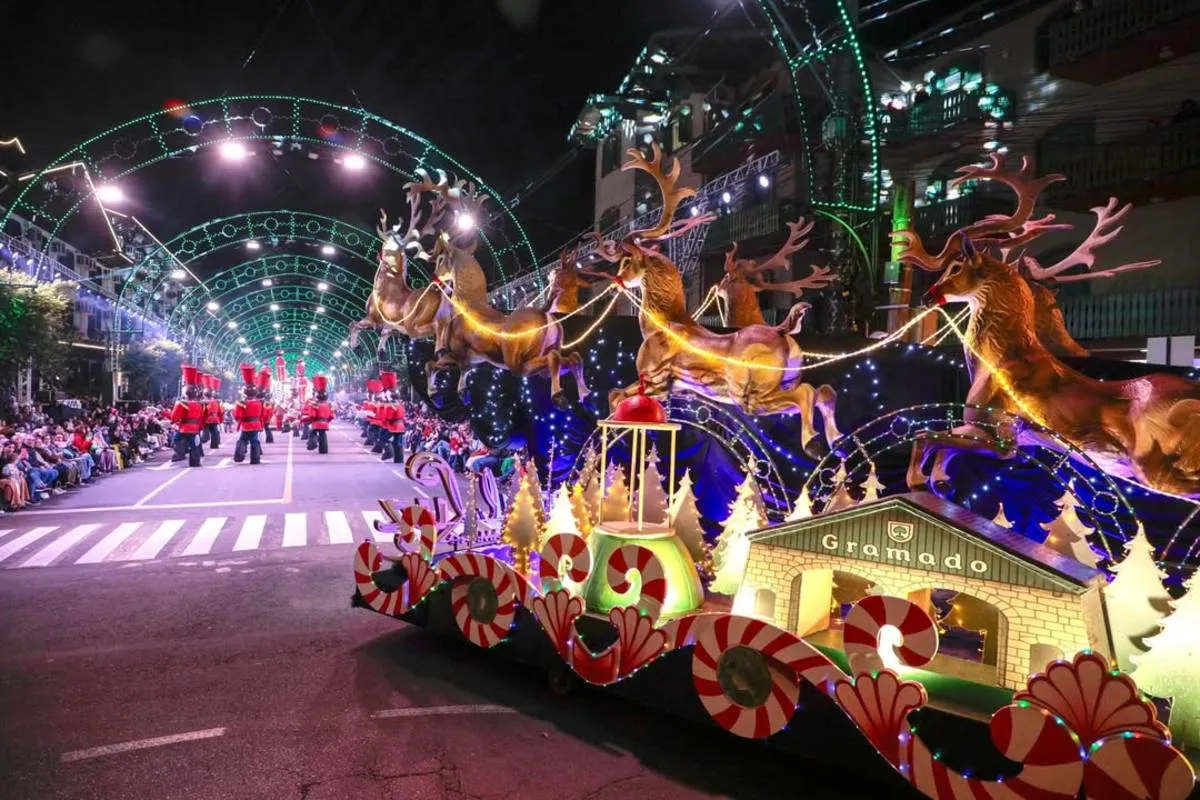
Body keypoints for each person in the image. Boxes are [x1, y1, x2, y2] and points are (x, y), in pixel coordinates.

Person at [169, 365, 206, 467]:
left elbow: (174, 416)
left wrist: (173, 421)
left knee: (176, 440)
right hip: (195, 428)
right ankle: (195, 461)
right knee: (194, 445)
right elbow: (201, 417)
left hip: (184, 428)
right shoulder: (200, 404)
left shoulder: (182, 403)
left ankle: (180, 454)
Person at [233, 364, 265, 465]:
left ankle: (239, 455)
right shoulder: (259, 402)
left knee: (242, 439)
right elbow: (262, 415)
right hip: (256, 424)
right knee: (254, 441)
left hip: (246, 425)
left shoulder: (242, 403)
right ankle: (255, 459)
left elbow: (237, 415)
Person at [378, 371, 406, 463]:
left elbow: (387, 417)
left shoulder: (391, 405)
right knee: (397, 443)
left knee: (383, 439)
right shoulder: (399, 404)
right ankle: (399, 459)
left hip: (393, 426)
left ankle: (389, 453)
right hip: (400, 426)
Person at [304, 375, 333, 454]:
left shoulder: (314, 404)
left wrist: (310, 420)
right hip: (325, 423)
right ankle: (323, 449)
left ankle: (313, 443)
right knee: (323, 434)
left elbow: (312, 415)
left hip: (317, 423)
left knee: (311, 432)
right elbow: (331, 415)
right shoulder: (328, 404)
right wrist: (327, 420)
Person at [203, 374, 223, 449]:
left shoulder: (205, 402)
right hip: (215, 418)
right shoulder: (216, 402)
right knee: (214, 432)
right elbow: (220, 411)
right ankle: (215, 445)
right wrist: (220, 419)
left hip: (207, 419)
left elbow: (203, 411)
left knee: (205, 432)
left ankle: (203, 440)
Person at [258, 368, 275, 444]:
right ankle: (269, 439)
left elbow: (267, 412)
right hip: (264, 418)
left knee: (265, 428)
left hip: (263, 418)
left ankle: (268, 439)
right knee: (266, 428)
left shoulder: (265, 402)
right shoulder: (266, 402)